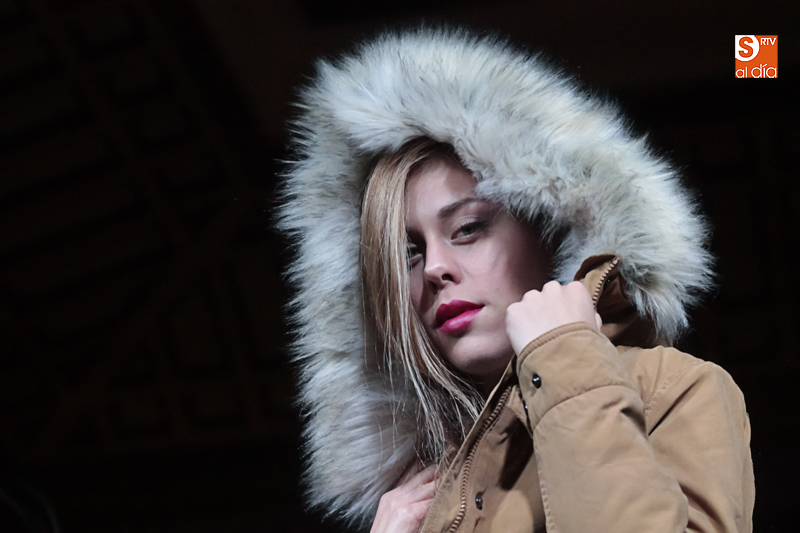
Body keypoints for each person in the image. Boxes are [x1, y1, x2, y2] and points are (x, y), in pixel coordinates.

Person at [278, 28, 755, 532]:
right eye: (409, 254)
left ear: (550, 229)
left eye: (468, 228)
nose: (435, 267)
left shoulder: (671, 388)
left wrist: (565, 360)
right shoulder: (420, 491)